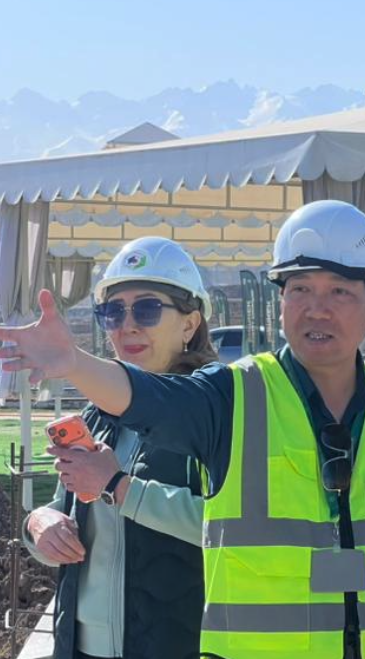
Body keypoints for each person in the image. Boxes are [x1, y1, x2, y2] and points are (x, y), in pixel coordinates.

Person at [1, 200, 365, 659]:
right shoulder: (232, 395)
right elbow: (150, 399)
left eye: (339, 292)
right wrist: (75, 365)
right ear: (280, 302)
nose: (317, 309)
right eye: (300, 289)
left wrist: (118, 484)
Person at [24, 237, 214, 659]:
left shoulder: (215, 415)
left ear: (190, 324)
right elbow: (69, 507)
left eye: (147, 309)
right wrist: (39, 524)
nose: (127, 325)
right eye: (113, 311)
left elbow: (232, 527)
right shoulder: (96, 415)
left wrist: (119, 486)